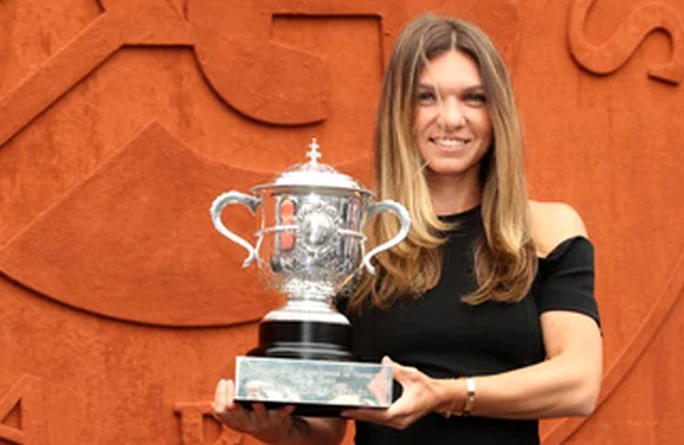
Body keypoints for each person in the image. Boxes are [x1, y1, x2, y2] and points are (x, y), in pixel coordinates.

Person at [211, 13, 602, 445]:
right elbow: (327, 426)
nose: (451, 119)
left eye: (473, 98)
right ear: (401, 112)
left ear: (498, 114)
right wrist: (279, 426)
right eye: (427, 97)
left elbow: (579, 383)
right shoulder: (359, 238)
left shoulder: (547, 231)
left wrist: (445, 394)